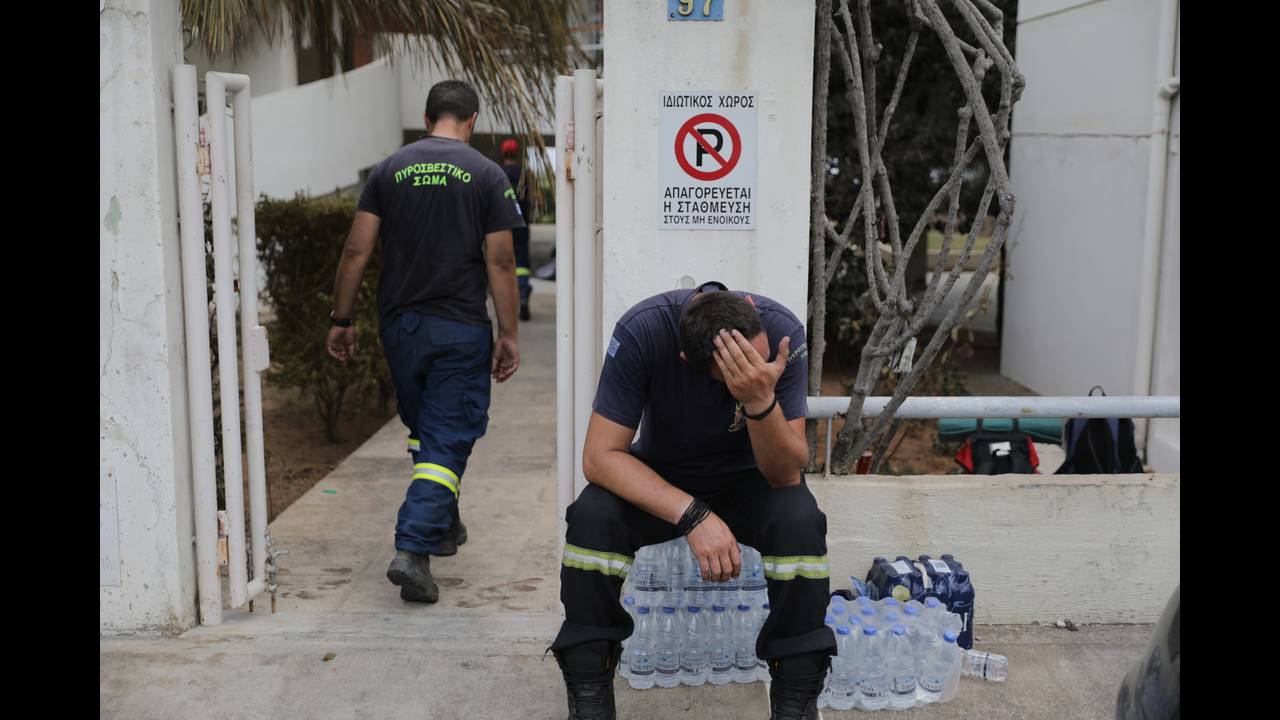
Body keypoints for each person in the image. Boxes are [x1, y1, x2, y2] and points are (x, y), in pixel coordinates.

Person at [550, 281, 835, 720]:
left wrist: (759, 399)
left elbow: (785, 473)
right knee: (592, 517)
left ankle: (795, 699)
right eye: (737, 375)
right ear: (689, 361)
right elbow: (599, 457)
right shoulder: (645, 330)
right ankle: (589, 692)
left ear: (751, 311)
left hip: (754, 480)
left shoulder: (782, 335)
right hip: (666, 478)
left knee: (800, 520)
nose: (755, 371)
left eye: (758, 365)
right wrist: (693, 515)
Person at [326, 80, 525, 604]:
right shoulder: (487, 174)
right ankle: (413, 548)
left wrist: (341, 318)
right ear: (473, 120)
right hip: (458, 328)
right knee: (449, 434)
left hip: (401, 329)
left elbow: (355, 251)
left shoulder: (389, 170)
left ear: (427, 115)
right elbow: (501, 261)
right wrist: (508, 333)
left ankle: (442, 522)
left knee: (427, 430)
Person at [499, 138, 533, 320]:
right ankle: (523, 294)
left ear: (503, 153)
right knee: (521, 264)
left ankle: (506, 304)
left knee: (502, 264)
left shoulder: (497, 173)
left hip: (502, 226)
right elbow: (529, 201)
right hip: (521, 225)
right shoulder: (523, 174)